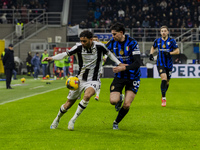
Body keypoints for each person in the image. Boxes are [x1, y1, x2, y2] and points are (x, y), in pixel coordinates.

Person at [43, 30, 125, 130]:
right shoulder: (78, 47)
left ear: (91, 40)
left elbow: (110, 54)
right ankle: (57, 119)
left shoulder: (99, 47)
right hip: (80, 80)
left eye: (84, 41)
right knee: (68, 104)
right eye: (81, 41)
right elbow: (65, 54)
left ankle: (72, 120)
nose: (82, 43)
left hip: (94, 80)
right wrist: (52, 58)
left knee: (87, 96)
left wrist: (119, 63)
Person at [106, 22, 141, 130]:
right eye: (112, 34)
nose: (113, 36)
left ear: (121, 33)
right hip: (120, 76)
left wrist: (123, 67)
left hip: (133, 77)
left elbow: (137, 63)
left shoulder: (132, 43)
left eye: (114, 34)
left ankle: (116, 122)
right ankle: (119, 98)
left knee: (126, 105)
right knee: (113, 101)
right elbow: (102, 52)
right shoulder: (112, 42)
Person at [149, 25, 180, 107]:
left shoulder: (172, 41)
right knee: (164, 78)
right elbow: (153, 47)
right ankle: (163, 98)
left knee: (167, 81)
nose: (163, 32)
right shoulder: (157, 40)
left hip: (169, 64)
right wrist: (151, 54)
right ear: (160, 32)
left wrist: (170, 53)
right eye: (162, 31)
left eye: (165, 31)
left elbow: (177, 51)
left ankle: (164, 93)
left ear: (168, 32)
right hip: (160, 63)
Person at [92, 35, 107, 101]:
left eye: (96, 39)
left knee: (97, 79)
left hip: (99, 66)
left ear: (98, 40)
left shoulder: (100, 46)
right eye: (94, 39)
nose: (95, 41)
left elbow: (107, 52)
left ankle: (97, 95)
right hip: (90, 66)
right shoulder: (90, 46)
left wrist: (105, 57)